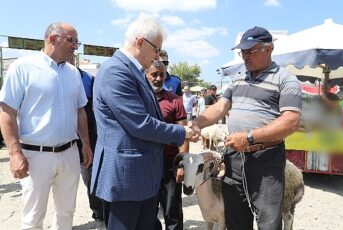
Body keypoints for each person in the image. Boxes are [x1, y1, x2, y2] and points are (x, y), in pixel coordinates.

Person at [90, 17, 198, 230]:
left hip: (142, 177)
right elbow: (141, 124)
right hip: (126, 179)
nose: (158, 55)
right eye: (156, 49)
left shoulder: (135, 72)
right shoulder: (115, 71)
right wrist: (182, 132)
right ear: (140, 42)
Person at [190, 26, 302, 230]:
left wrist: (250, 138)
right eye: (243, 51)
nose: (245, 56)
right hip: (234, 159)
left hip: (265, 159)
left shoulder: (286, 80)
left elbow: (291, 121)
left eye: (251, 51)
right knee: (236, 218)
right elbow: (221, 106)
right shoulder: (238, 77)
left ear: (268, 49)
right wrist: (197, 123)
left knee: (268, 221)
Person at [0, 22, 93, 229]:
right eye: (71, 41)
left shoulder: (73, 73)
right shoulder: (23, 67)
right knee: (33, 217)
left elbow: (80, 111)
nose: (75, 46)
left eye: (77, 42)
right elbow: (7, 112)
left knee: (66, 212)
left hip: (69, 153)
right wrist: (15, 154)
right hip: (35, 156)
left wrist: (85, 144)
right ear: (52, 38)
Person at [145, 60, 188, 230]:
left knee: (173, 211)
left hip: (170, 164)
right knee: (148, 212)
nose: (158, 78)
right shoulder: (139, 99)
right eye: (154, 74)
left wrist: (181, 164)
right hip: (146, 165)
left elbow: (183, 134)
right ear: (146, 75)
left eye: (161, 75)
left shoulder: (175, 101)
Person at [67, 55, 105, 229]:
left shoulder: (88, 78)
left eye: (73, 57)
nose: (70, 59)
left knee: (91, 177)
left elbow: (94, 107)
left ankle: (99, 211)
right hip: (62, 138)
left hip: (88, 136)